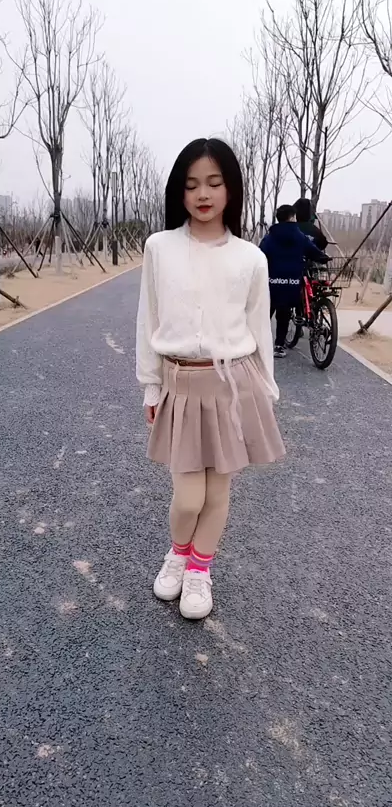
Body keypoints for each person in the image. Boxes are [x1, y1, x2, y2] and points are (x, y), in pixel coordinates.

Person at [136, 138, 285, 621]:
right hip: (180, 384)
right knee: (188, 497)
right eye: (192, 184)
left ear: (230, 189)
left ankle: (199, 570)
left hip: (232, 385)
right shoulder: (159, 248)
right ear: (179, 192)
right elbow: (148, 319)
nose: (203, 194)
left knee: (218, 493)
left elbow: (259, 328)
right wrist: (151, 385)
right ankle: (178, 553)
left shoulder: (251, 258)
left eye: (215, 183)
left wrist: (267, 390)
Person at [260, 204, 330, 358]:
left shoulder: (270, 237)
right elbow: (312, 250)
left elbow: (260, 254)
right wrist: (323, 258)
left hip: (272, 281)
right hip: (292, 281)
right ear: (292, 217)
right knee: (284, 313)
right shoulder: (299, 236)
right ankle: (279, 346)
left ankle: (258, 344)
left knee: (266, 312)